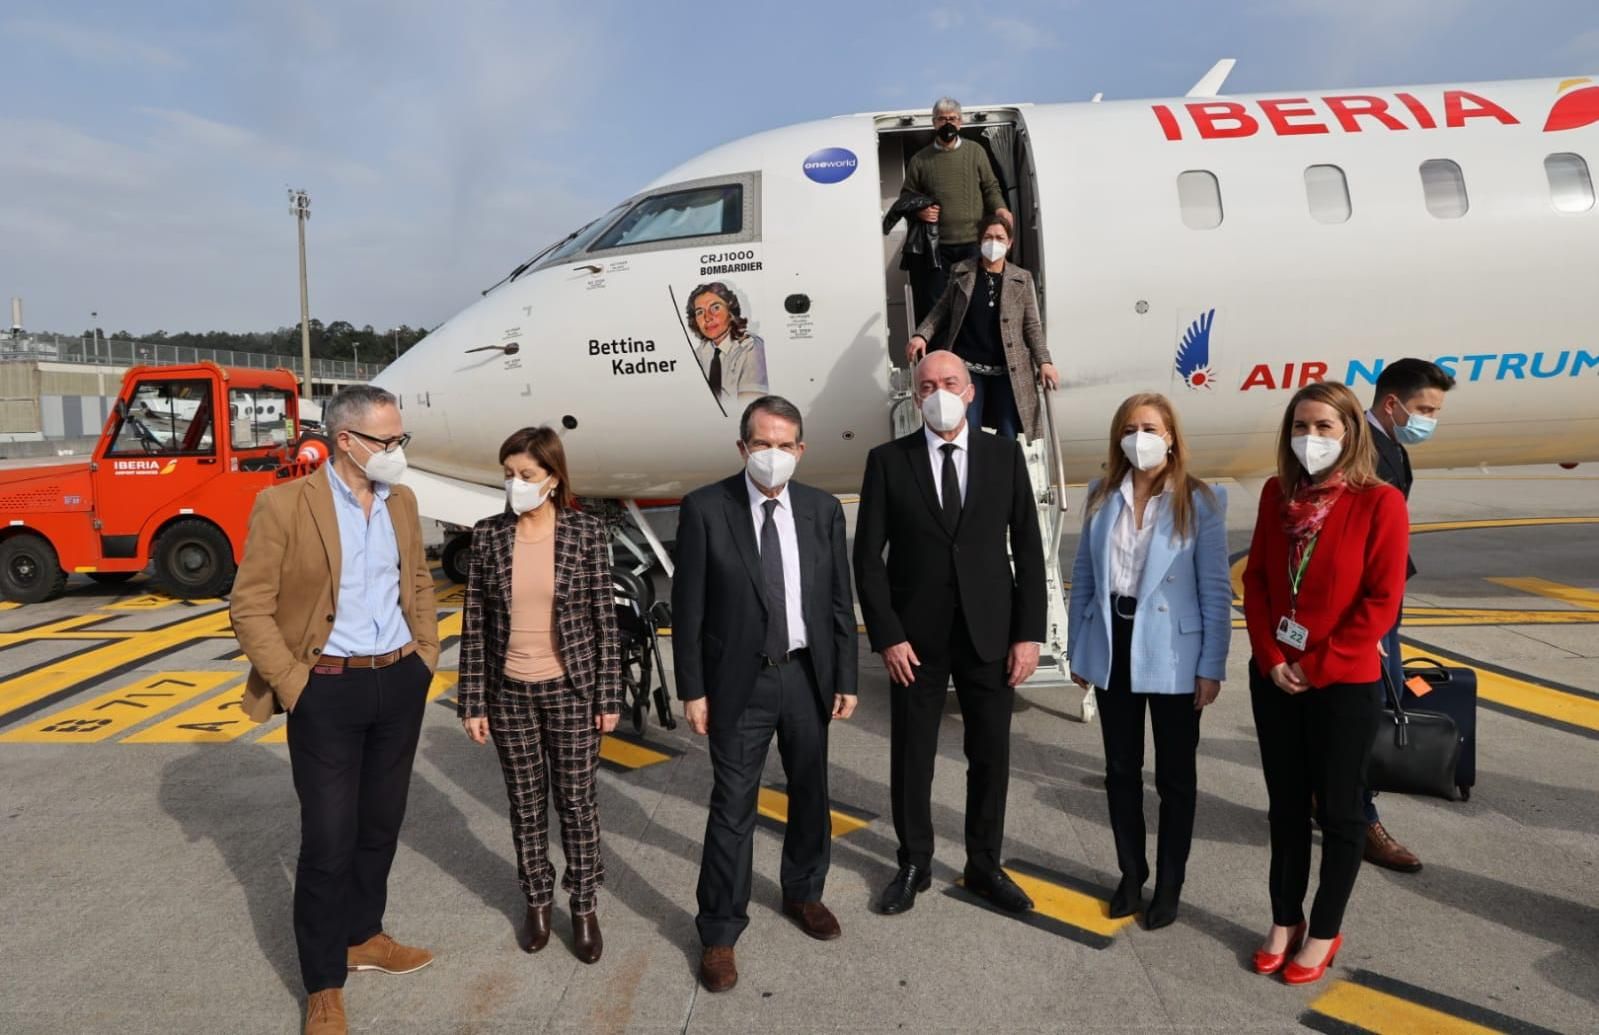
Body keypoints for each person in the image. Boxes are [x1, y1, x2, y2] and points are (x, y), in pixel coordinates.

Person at [231, 384, 440, 1035]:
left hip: (397, 680)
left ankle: (363, 933)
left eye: (400, 438)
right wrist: (294, 683)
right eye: (387, 440)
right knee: (327, 839)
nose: (397, 451)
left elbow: (419, 581)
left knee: (381, 823)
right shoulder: (284, 504)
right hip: (325, 688)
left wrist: (424, 656)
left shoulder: (401, 501)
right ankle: (324, 982)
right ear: (346, 441)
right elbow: (249, 604)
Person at [671, 395, 859, 993]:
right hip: (738, 683)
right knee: (732, 808)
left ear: (801, 450)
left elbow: (836, 602)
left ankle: (804, 893)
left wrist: (846, 678)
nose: (773, 455)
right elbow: (689, 608)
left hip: (806, 676)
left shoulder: (822, 509)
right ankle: (720, 931)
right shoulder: (706, 508)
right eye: (762, 444)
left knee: (812, 793)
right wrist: (693, 690)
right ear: (742, 448)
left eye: (785, 445)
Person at [853, 350, 1046, 917]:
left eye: (950, 382)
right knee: (913, 756)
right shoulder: (888, 461)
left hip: (991, 634)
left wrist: (1028, 633)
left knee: (990, 755)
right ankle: (914, 861)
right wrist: (887, 634)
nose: (939, 391)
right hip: (915, 642)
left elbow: (1029, 551)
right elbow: (867, 557)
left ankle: (985, 863)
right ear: (916, 397)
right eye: (928, 384)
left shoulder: (1002, 456)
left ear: (969, 391)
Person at [1242, 381, 1408, 986]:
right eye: (1300, 427)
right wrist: (1269, 657)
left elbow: (1381, 603)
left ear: (1350, 434)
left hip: (1340, 682)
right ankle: (1284, 919)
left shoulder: (1379, 503)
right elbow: (1256, 579)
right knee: (1285, 808)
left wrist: (1314, 666)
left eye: (1323, 428)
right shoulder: (1275, 495)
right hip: (1276, 678)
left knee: (1340, 814)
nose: (1309, 439)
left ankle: (1322, 930)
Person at [456, 426, 622, 964]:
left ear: (553, 477)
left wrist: (608, 695)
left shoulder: (586, 533)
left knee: (577, 804)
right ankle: (537, 901)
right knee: (526, 805)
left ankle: (584, 903)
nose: (516, 484)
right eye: (508, 475)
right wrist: (473, 701)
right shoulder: (487, 536)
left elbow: (604, 621)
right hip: (509, 693)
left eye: (526, 475)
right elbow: (475, 623)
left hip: (572, 690)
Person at [1068, 393, 1230, 929]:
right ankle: (1130, 874)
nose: (1140, 436)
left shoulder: (1200, 500)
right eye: (1130, 427)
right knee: (1120, 771)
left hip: (1175, 651)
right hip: (1114, 641)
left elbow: (1214, 588)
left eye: (1151, 427)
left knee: (1176, 778)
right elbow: (1085, 581)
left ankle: (1170, 882)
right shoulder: (1099, 494)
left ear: (1171, 437)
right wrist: (1079, 648)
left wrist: (1212, 665)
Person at [1359, 358, 1456, 874]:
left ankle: (1327, 797)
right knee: (1374, 705)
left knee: (1376, 700)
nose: (1430, 420)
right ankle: (1363, 817)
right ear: (1392, 403)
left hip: (1385, 596)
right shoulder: (1361, 446)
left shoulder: (1388, 442)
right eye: (1424, 409)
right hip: (1368, 607)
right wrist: (1370, 623)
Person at [906, 214, 1058, 440]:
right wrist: (921, 335)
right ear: (979, 242)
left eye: (999, 237)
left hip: (1008, 370)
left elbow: (1031, 327)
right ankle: (976, 473)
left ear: (1009, 243)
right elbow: (942, 310)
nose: (993, 243)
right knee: (970, 427)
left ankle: (1003, 474)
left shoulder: (1022, 279)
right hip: (968, 367)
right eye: (988, 237)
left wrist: (1045, 362)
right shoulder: (962, 272)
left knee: (1007, 431)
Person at [899, 97, 1012, 325]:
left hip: (972, 243)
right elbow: (906, 199)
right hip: (936, 248)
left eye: (952, 119)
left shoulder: (976, 152)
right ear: (933, 123)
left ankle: (970, 356)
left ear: (960, 123)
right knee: (939, 306)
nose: (947, 123)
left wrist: (1001, 208)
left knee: (974, 301)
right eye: (942, 119)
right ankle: (942, 355)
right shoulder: (920, 160)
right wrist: (919, 212)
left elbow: (990, 186)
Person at [687, 281, 768, 409]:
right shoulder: (699, 354)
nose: (707, 317)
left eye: (715, 308)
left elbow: (751, 409)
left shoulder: (750, 347)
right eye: (700, 312)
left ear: (730, 312)